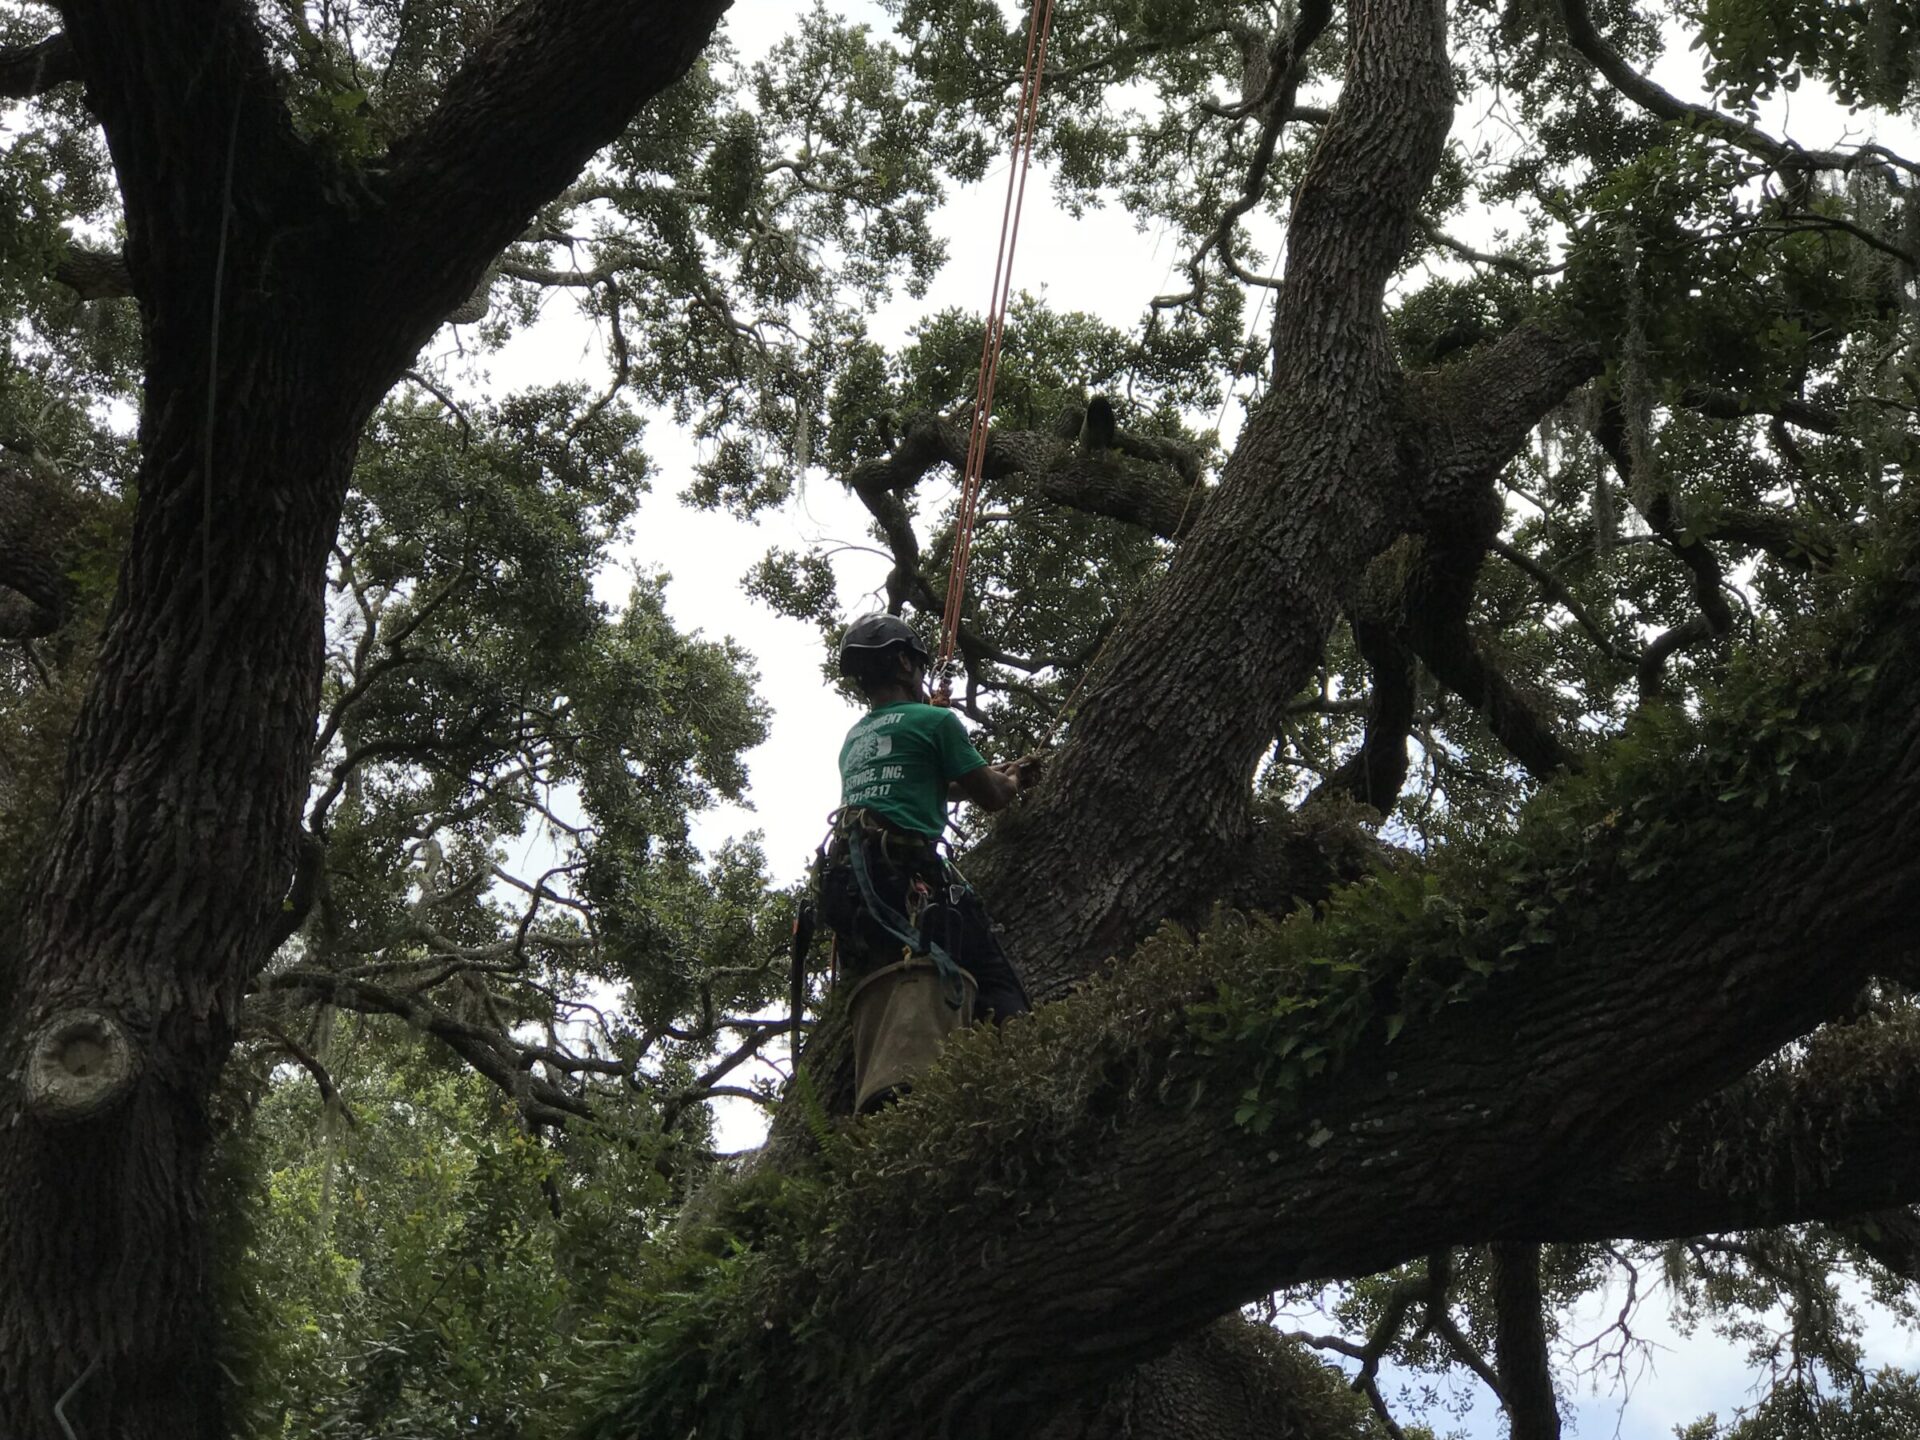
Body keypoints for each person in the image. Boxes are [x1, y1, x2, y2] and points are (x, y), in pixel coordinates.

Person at [816, 613, 1036, 1024]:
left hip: (856, 891)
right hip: (908, 879)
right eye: (918, 664)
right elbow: (992, 796)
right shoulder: (936, 722)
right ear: (903, 663)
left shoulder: (855, 738)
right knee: (995, 978)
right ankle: (1020, 1048)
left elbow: (930, 781)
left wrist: (992, 769)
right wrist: (1015, 777)